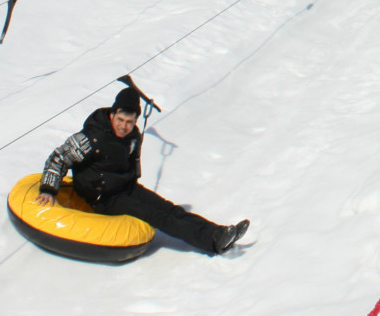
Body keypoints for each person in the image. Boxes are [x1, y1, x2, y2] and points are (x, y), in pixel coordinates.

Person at [36, 86, 248, 255]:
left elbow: (131, 163)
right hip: (102, 198)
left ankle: (219, 233)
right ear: (112, 114)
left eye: (129, 122)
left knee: (170, 209)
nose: (124, 126)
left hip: (125, 188)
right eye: (120, 120)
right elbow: (58, 158)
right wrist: (48, 189)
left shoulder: (132, 136)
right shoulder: (91, 138)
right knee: (158, 216)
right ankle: (213, 242)